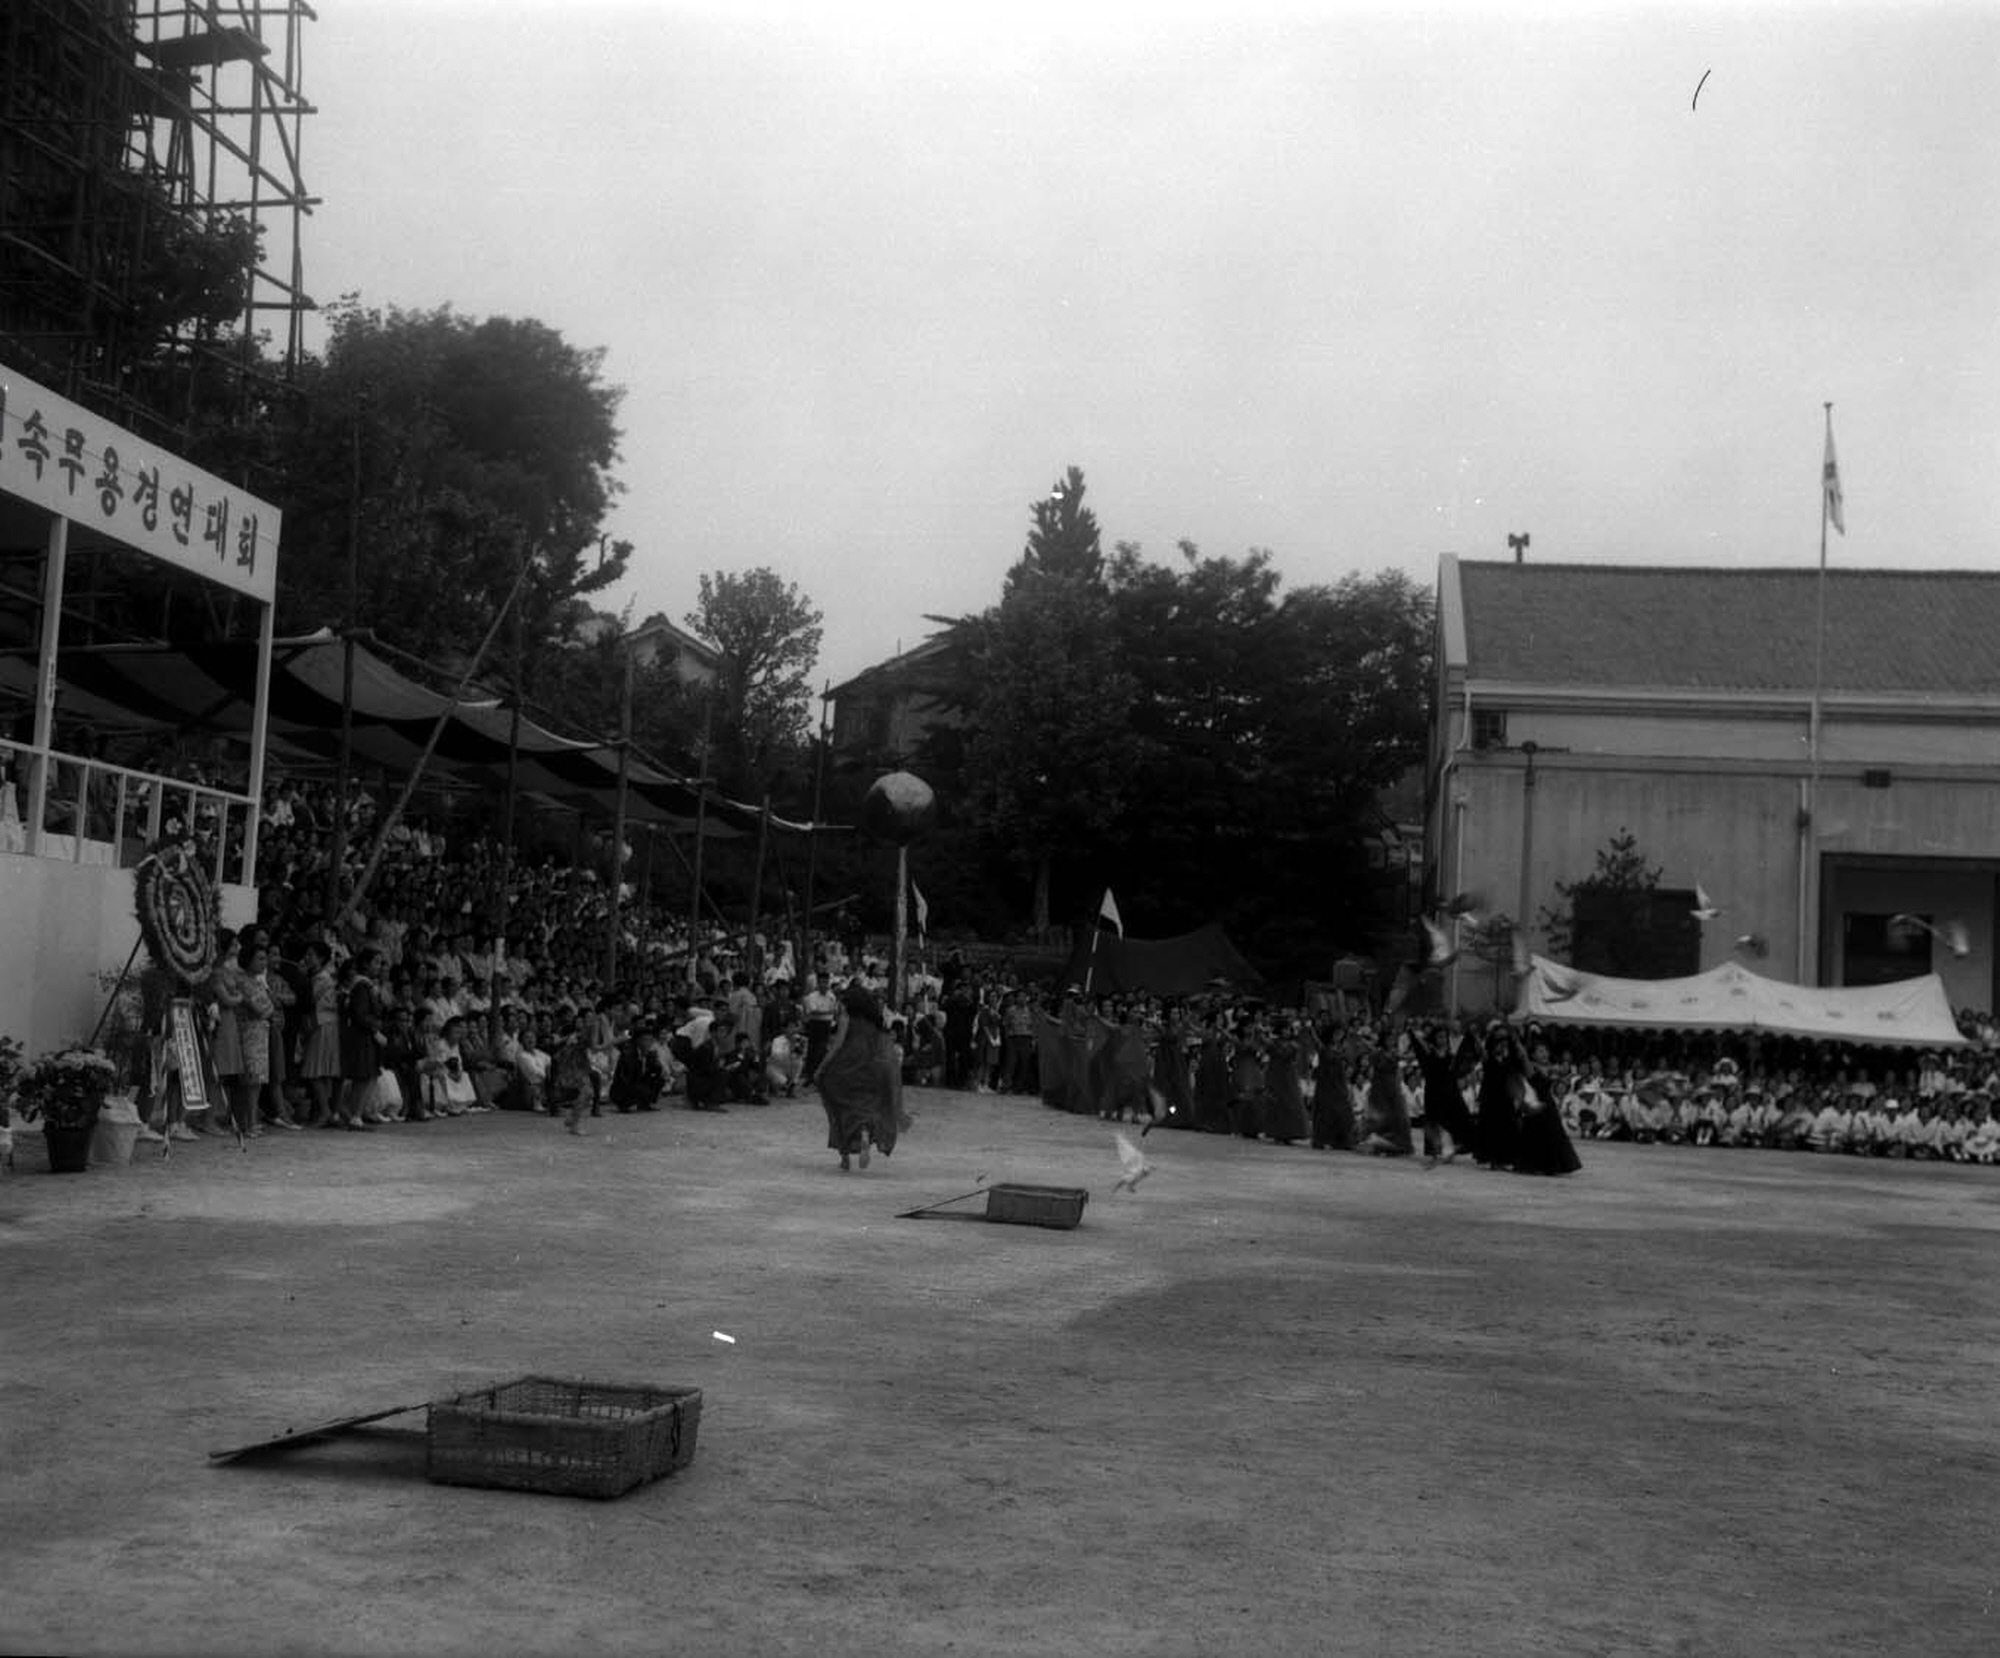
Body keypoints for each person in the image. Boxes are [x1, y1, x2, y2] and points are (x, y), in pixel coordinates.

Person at [811, 980, 905, 1172]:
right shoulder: (873, 1020)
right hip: (871, 1067)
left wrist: (821, 1068)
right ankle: (864, 1132)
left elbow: (837, 1045)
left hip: (846, 1066)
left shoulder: (847, 1016)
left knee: (838, 1107)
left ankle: (844, 1157)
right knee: (865, 1106)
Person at [1407, 1022, 1475, 1165]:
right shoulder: (1429, 1053)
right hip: (1433, 1091)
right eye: (1439, 1037)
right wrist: (1412, 1034)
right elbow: (1419, 1048)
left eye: (1444, 1037)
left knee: (1453, 1120)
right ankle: (1435, 1152)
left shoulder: (1450, 1055)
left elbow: (1458, 1068)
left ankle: (1450, 1150)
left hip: (1448, 1091)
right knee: (1434, 1120)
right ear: (1434, 1038)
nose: (1443, 1040)